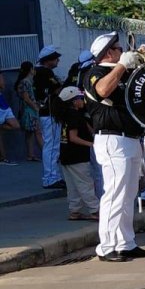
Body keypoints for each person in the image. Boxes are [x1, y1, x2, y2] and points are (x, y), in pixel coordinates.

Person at [85, 32, 145, 262]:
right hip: (112, 139)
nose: (123, 52)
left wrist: (143, 62)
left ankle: (125, 243)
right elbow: (102, 90)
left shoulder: (121, 73)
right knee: (115, 193)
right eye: (119, 49)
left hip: (131, 138)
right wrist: (122, 65)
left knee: (128, 194)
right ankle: (106, 246)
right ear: (108, 53)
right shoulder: (95, 72)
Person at [56, 86, 99, 219]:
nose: (83, 100)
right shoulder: (74, 115)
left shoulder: (67, 114)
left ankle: (74, 211)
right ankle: (95, 210)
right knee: (85, 184)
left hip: (66, 154)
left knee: (72, 186)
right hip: (77, 155)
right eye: (80, 98)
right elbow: (73, 137)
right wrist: (92, 144)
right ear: (74, 101)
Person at [34, 46, 65, 188]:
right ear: (47, 60)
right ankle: (50, 178)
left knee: (50, 145)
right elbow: (57, 89)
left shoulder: (37, 71)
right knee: (52, 146)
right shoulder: (45, 72)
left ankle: (53, 176)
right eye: (55, 58)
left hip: (45, 113)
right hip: (50, 113)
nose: (58, 60)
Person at [14, 61, 41, 163]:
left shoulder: (25, 81)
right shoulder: (25, 82)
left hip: (27, 109)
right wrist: (35, 107)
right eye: (33, 68)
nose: (34, 71)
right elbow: (26, 98)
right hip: (29, 110)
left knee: (30, 133)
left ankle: (31, 155)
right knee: (37, 132)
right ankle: (47, 153)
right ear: (30, 70)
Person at [0, 73, 20, 165]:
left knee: (16, 125)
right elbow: (2, 85)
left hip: (4, 104)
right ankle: (3, 158)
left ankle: (3, 158)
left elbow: (2, 86)